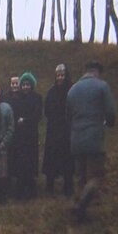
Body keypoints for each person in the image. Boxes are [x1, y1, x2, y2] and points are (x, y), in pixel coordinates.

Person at [66, 61, 116, 222]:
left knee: (80, 177)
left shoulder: (72, 89)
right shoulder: (102, 86)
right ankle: (80, 204)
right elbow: (111, 112)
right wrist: (109, 123)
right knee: (95, 176)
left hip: (76, 138)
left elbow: (67, 116)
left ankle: (80, 215)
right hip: (94, 138)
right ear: (96, 71)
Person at [9, 71, 42, 199]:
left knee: (30, 161)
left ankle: (32, 188)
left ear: (32, 85)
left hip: (31, 134)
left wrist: (26, 120)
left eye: (28, 84)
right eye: (23, 85)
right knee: (21, 162)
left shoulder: (37, 98)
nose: (25, 87)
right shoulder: (18, 99)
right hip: (20, 135)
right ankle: (20, 189)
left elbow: (37, 115)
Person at [42, 63, 74, 196]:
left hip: (67, 129)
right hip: (53, 129)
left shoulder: (72, 91)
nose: (60, 78)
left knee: (67, 159)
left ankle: (68, 187)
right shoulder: (51, 91)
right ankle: (49, 186)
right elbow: (47, 110)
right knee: (51, 158)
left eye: (62, 75)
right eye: (58, 75)